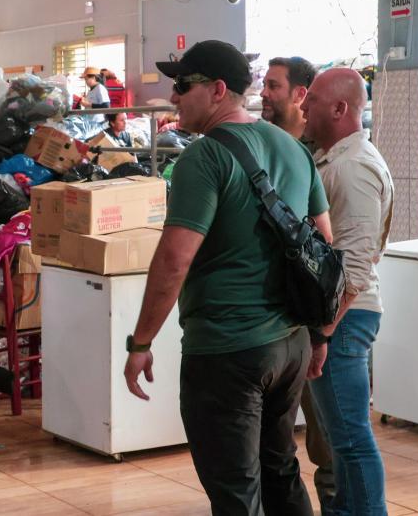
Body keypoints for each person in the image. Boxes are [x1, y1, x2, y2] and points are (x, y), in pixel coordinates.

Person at [123, 40, 331, 515]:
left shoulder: (204, 158)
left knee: (237, 493)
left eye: (182, 86)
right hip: (290, 343)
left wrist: (141, 342)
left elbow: (174, 260)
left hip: (228, 349)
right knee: (281, 472)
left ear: (217, 90)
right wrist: (317, 334)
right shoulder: (295, 150)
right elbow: (323, 245)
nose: (173, 97)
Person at [302, 67, 394, 516]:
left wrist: (323, 333)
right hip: (341, 317)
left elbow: (354, 266)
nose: (303, 106)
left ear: (340, 108)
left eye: (313, 99)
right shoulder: (335, 159)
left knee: (351, 438)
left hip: (345, 318)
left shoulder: (354, 167)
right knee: (342, 441)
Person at [260, 55, 336, 514]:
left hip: (320, 316)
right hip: (282, 323)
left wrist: (324, 328)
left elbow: (336, 249)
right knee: (278, 446)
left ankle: (338, 507)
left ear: (300, 95)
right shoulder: (264, 149)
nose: (264, 94)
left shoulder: (322, 157)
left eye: (272, 86)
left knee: (329, 440)